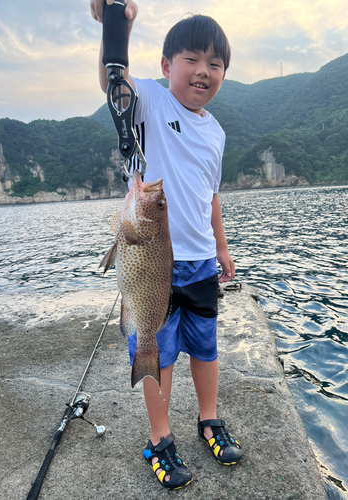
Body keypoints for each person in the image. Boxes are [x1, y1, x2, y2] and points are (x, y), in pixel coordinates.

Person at [90, 0, 242, 490]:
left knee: (205, 347)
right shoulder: (153, 102)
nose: (203, 71)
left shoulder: (215, 132)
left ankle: (209, 419)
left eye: (215, 64)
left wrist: (221, 247)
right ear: (165, 66)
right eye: (192, 60)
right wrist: (119, 22)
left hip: (199, 264)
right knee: (158, 350)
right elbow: (115, 84)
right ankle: (160, 439)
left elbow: (210, 195)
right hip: (156, 262)